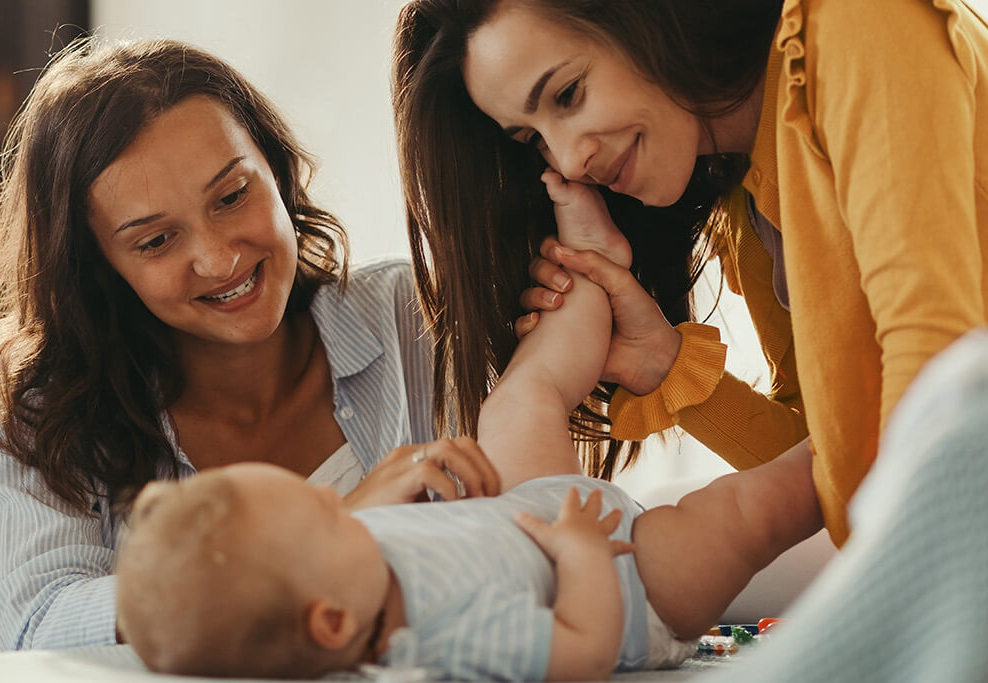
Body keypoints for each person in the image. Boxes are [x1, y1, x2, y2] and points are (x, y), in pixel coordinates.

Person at [114, 179, 822, 681]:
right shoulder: (440, 637)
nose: (349, 507)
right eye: (330, 518)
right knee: (744, 511)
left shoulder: (342, 567)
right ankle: (865, 440)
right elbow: (582, 652)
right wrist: (580, 555)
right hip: (627, 577)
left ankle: (591, 264)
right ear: (333, 622)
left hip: (526, 509)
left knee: (517, 404)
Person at [0, 37, 500, 651]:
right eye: (155, 242)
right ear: (100, 266)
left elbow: (531, 534)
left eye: (232, 197)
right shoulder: (44, 402)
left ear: (276, 171)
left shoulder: (413, 316)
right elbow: (40, 624)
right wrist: (334, 530)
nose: (219, 258)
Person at [392, 0, 988, 545]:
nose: (569, 159)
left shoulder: (859, 22)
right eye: (534, 141)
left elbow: (938, 365)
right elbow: (840, 473)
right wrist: (662, 361)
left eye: (569, 93)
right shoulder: (747, 204)